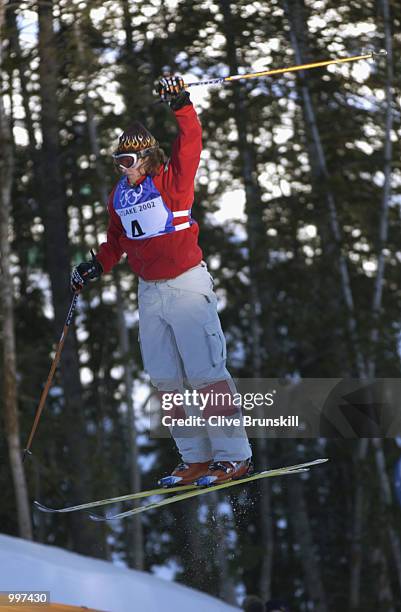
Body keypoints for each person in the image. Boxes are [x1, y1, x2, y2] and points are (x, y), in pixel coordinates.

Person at [70, 75, 252, 486]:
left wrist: (181, 105)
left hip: (187, 286)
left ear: (147, 157)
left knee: (205, 372)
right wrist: (96, 264)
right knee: (165, 378)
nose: (123, 169)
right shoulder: (119, 196)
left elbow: (191, 143)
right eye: (118, 161)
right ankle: (195, 458)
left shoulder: (172, 182)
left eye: (128, 161)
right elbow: (117, 240)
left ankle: (233, 456)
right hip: (150, 293)